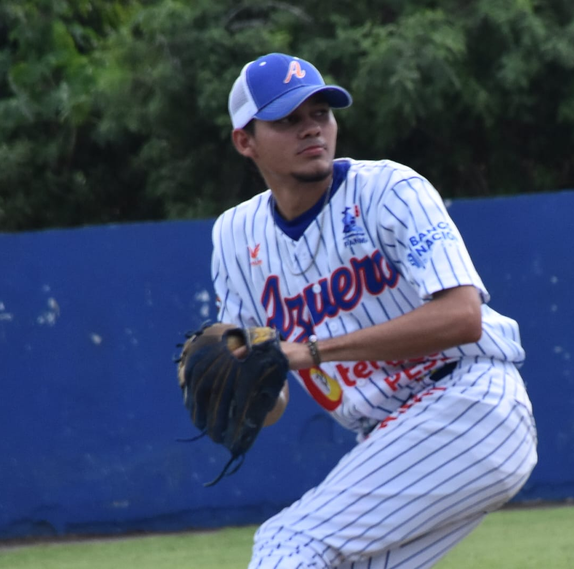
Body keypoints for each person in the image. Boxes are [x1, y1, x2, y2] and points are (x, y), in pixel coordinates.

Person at [213, 52, 538, 569]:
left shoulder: (388, 190)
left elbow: (462, 317)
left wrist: (310, 352)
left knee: (289, 544)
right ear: (244, 141)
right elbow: (270, 389)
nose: (311, 130)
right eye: (288, 120)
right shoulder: (234, 237)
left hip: (470, 399)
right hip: (387, 435)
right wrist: (243, 387)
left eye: (320, 113)